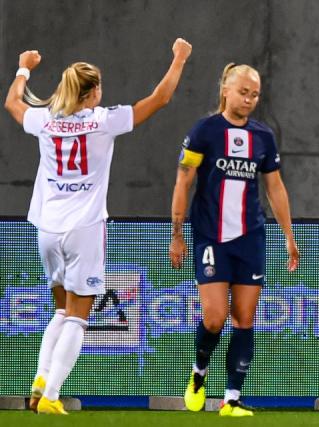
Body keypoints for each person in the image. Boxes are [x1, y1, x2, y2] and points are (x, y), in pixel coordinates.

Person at [3, 38, 192, 415]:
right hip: (84, 228)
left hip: (46, 228)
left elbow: (12, 103)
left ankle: (40, 383)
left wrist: (24, 67)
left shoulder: (45, 120)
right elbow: (159, 99)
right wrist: (179, 59)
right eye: (99, 87)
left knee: (60, 310)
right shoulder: (103, 121)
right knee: (78, 315)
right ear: (90, 94)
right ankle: (53, 397)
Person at [170, 63, 300, 417]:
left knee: (245, 318)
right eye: (243, 92)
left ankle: (231, 399)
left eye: (255, 94)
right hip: (211, 236)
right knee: (214, 317)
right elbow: (184, 181)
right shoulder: (204, 131)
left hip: (250, 238)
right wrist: (177, 233)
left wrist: (289, 235)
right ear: (225, 89)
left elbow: (275, 187)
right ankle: (199, 373)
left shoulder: (263, 137)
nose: (249, 99)